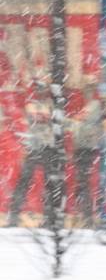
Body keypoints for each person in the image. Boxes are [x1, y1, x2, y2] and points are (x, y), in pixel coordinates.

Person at [8, 80, 57, 226]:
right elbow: (38, 121)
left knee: (48, 185)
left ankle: (49, 219)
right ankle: (14, 217)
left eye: (42, 90)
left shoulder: (49, 106)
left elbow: (48, 122)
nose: (41, 92)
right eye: (39, 90)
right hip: (36, 148)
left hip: (46, 148)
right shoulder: (35, 106)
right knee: (24, 183)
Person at [70, 75, 105, 227]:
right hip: (82, 148)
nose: (87, 92)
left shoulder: (94, 107)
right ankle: (85, 216)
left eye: (89, 89)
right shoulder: (89, 107)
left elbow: (82, 126)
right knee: (82, 184)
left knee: (84, 184)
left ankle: (87, 217)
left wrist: (72, 123)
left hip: (86, 148)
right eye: (86, 89)